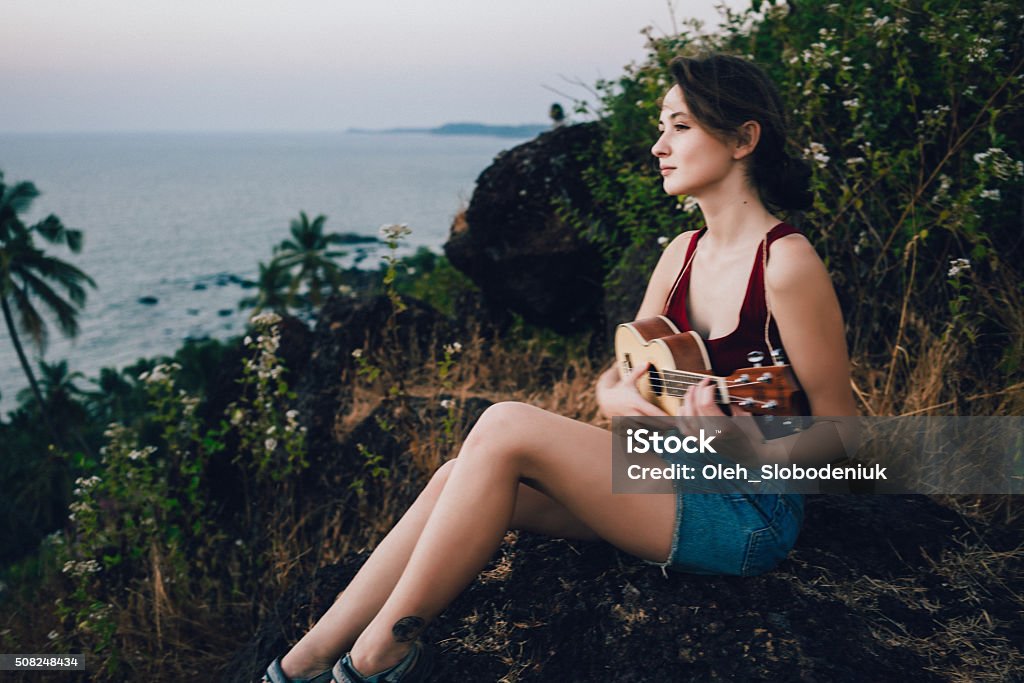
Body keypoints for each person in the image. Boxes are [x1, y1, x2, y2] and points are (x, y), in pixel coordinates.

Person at [262, 53, 858, 683]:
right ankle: (306, 660)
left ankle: (377, 658)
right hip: (667, 475)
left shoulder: (786, 266)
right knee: (454, 477)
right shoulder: (680, 255)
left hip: (747, 513)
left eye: (680, 127)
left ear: (744, 138)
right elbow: (623, 375)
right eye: (661, 127)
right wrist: (620, 404)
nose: (658, 146)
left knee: (506, 423)